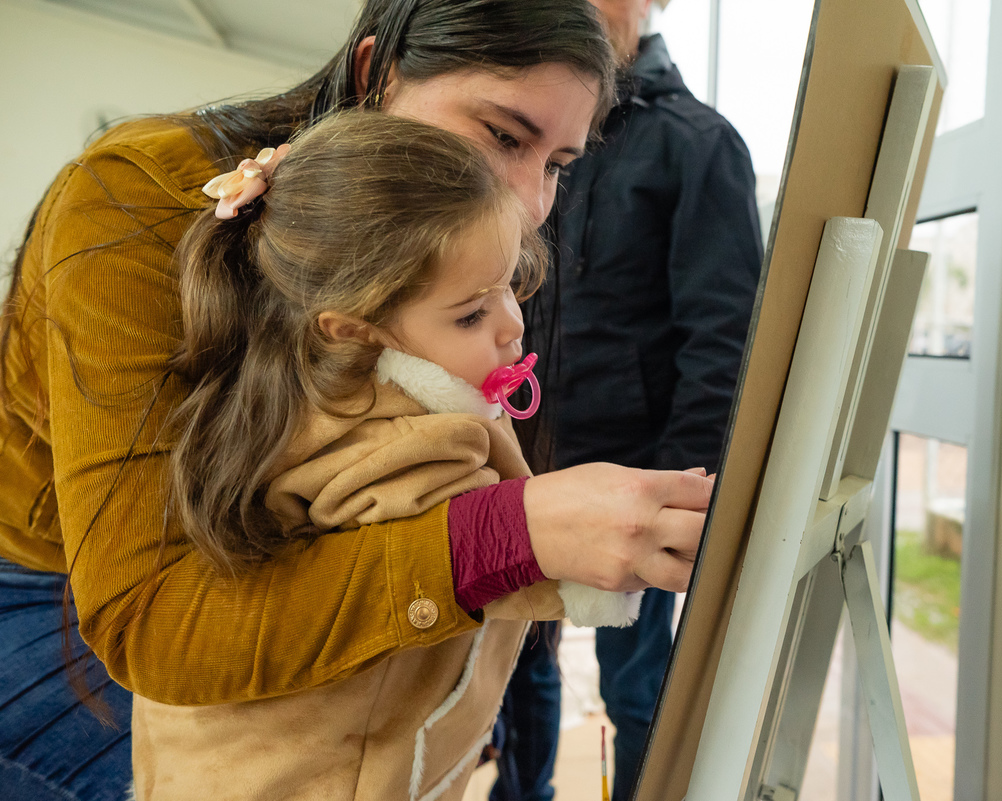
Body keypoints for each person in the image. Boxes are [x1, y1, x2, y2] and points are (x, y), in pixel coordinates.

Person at [0, 2, 713, 799]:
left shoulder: (468, 237)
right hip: (54, 589)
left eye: (557, 164)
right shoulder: (133, 201)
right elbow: (155, 615)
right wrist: (501, 537)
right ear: (378, 73)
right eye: (504, 137)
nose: (527, 202)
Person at [129, 111, 643, 801]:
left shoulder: (294, 392)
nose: (513, 323)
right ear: (356, 332)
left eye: (510, 286)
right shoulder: (401, 435)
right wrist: (620, 546)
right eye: (470, 313)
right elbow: (490, 547)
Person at [496, 2, 763, 800]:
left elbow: (723, 340)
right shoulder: (535, 129)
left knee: (637, 692)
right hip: (516, 462)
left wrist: (679, 491)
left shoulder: (698, 144)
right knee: (512, 670)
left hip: (634, 479)